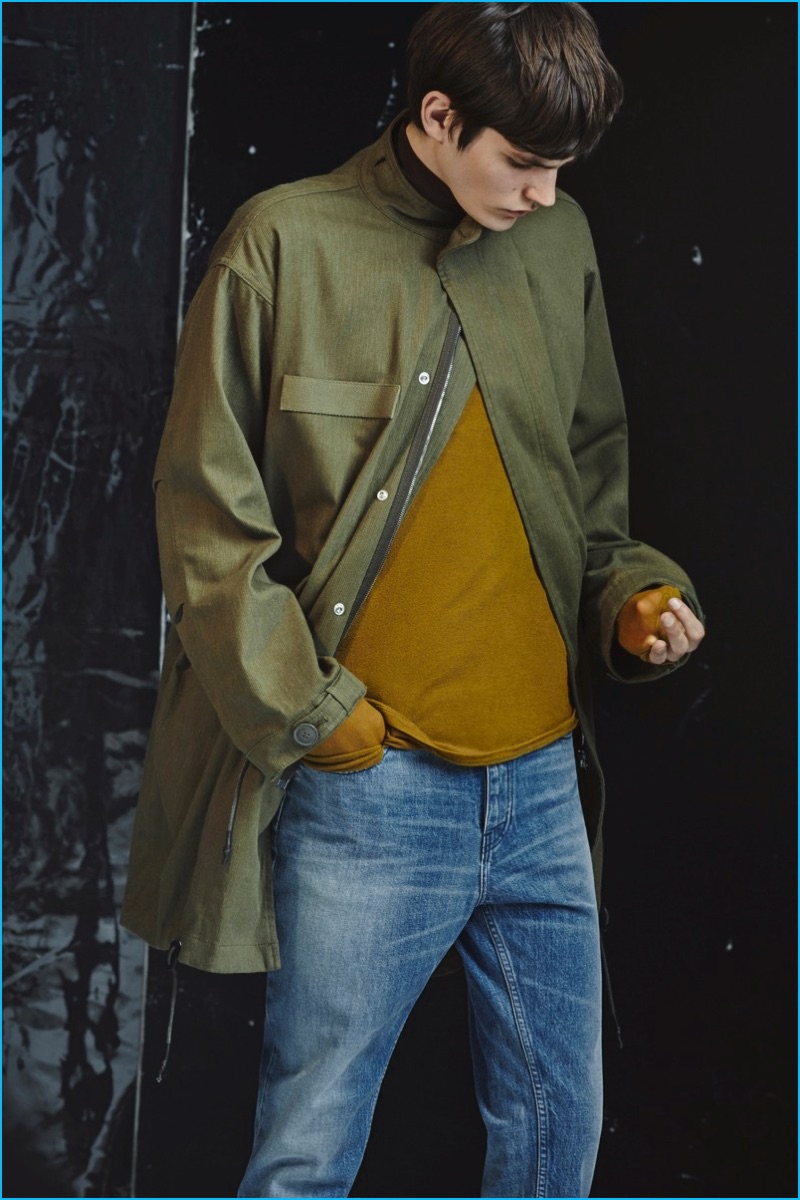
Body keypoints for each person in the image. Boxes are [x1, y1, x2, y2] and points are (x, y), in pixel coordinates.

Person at [121, 4, 706, 1196]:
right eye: (524, 161)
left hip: (542, 781)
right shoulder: (282, 243)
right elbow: (207, 526)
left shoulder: (556, 240)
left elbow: (589, 491)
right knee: (306, 1149)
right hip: (369, 786)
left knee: (557, 1145)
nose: (544, 194)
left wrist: (634, 600)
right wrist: (319, 720)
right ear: (437, 116)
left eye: (561, 169)